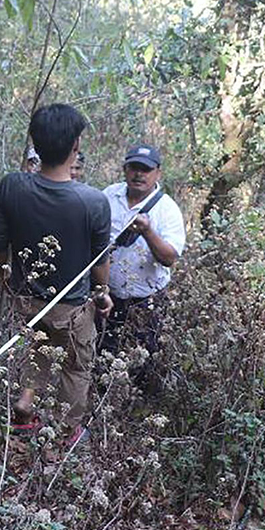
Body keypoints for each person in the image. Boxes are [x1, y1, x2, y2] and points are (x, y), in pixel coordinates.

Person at [0, 104, 113, 447]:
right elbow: (100, 261)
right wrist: (102, 294)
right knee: (75, 365)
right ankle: (65, 430)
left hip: (26, 298)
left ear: (35, 143)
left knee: (40, 347)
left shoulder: (11, 186)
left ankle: (26, 404)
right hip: (71, 307)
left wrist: (7, 282)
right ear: (75, 147)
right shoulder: (93, 201)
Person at [101, 143, 186, 397]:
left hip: (146, 301)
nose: (139, 175)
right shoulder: (108, 196)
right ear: (125, 169)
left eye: (146, 170)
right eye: (134, 168)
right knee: (100, 355)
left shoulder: (167, 209)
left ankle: (131, 410)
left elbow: (169, 257)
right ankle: (100, 407)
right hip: (106, 296)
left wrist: (148, 231)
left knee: (141, 363)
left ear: (158, 173)